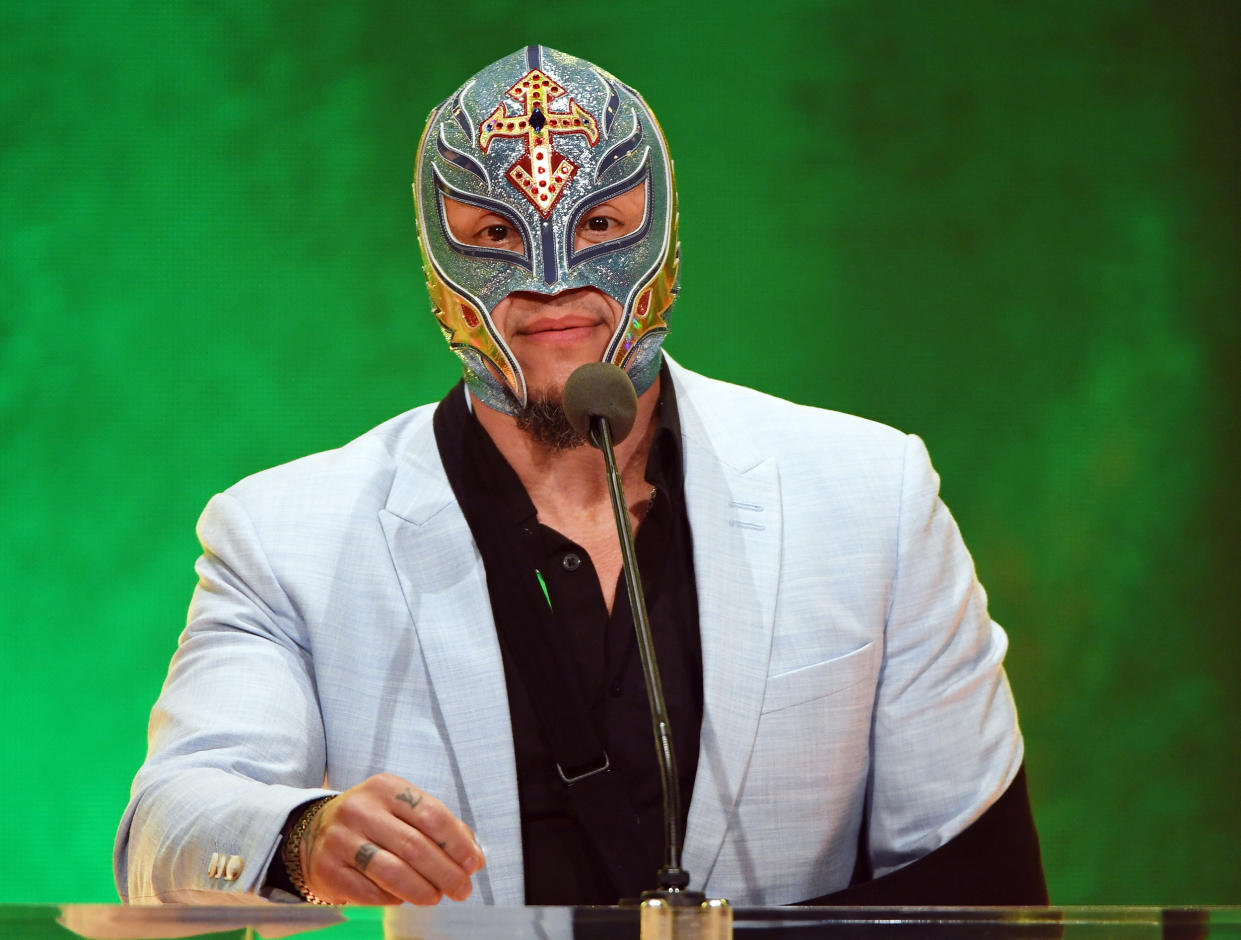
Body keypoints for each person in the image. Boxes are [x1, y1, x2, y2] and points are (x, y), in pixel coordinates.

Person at [115, 46, 1046, 908]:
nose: (552, 279)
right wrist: (301, 835)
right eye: (492, 232)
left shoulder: (868, 496)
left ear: (668, 238)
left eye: (601, 222)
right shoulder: (287, 535)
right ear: (434, 263)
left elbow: (973, 874)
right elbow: (166, 831)